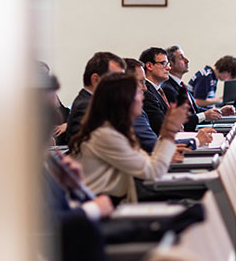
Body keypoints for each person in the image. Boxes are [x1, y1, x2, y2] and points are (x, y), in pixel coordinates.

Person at [68, 72, 188, 203]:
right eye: (138, 92)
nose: (143, 96)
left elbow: (147, 163)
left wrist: (166, 135)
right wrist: (169, 131)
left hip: (116, 201)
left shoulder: (114, 130)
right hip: (106, 207)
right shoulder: (105, 135)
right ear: (123, 99)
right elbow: (154, 171)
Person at [163, 45, 234, 131]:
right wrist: (204, 115)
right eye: (181, 58)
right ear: (170, 64)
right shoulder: (168, 88)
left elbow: (195, 109)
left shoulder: (180, 84)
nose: (187, 60)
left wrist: (219, 111)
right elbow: (181, 121)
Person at [65, 52, 126, 142]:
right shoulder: (86, 106)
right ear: (96, 80)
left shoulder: (96, 103)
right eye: (116, 80)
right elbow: (90, 145)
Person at [139, 47, 176, 135]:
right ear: (149, 66)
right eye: (164, 63)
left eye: (168, 64)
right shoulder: (146, 93)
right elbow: (161, 127)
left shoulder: (159, 90)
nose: (168, 68)